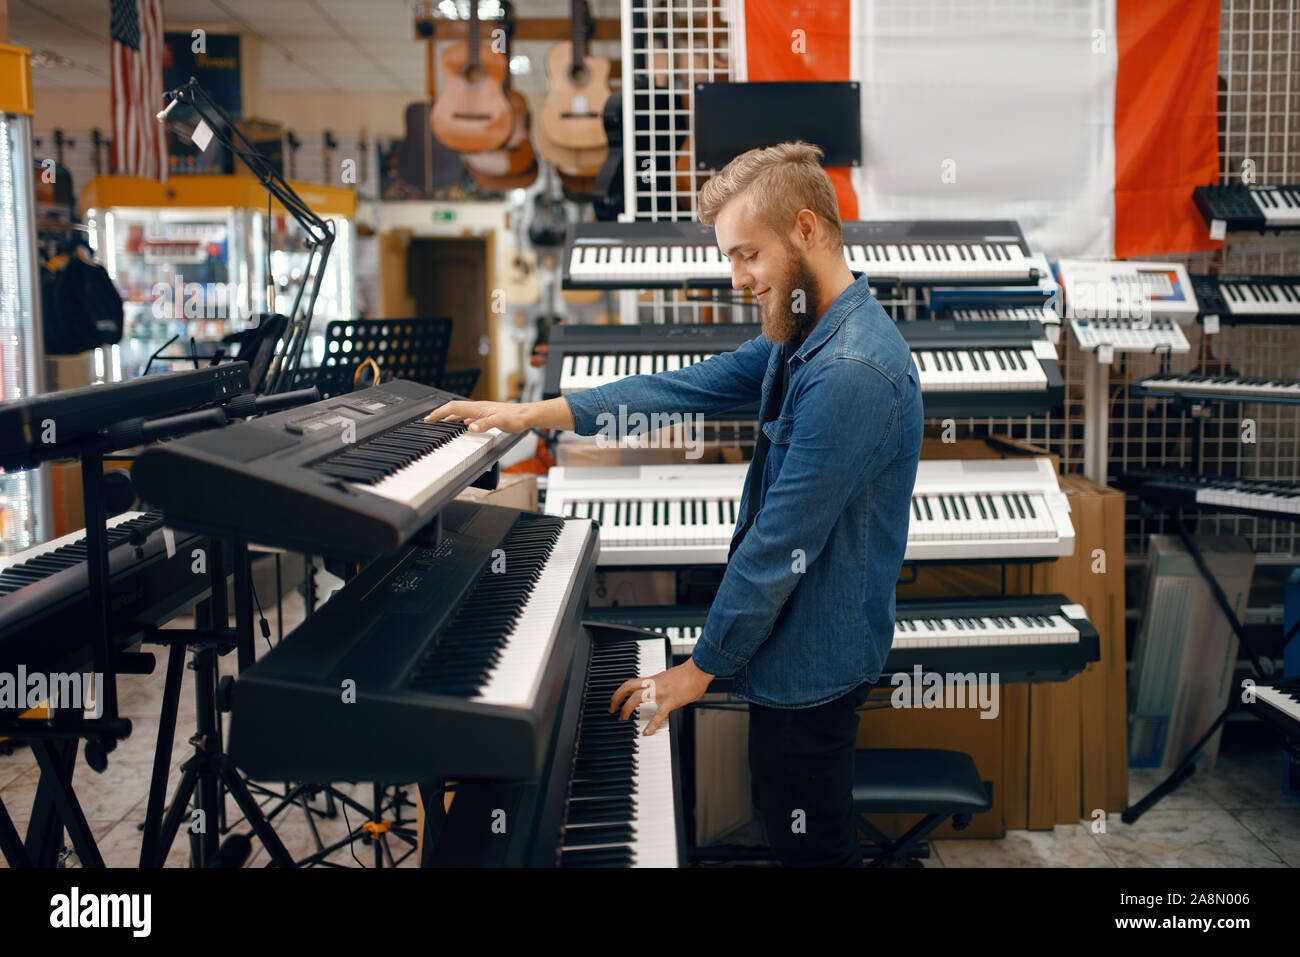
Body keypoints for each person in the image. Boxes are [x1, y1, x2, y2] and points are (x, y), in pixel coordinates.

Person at [425, 141, 923, 867]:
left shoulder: (851, 370)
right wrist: (535, 414)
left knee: (811, 845)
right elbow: (684, 386)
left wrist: (697, 669)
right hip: (796, 650)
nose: (738, 278)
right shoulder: (804, 332)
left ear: (807, 230)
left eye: (748, 254)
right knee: (796, 832)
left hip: (814, 666)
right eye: (731, 258)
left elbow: (774, 547)